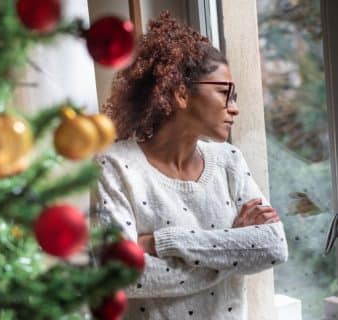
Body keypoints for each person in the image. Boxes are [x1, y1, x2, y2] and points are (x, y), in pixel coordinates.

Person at [89, 11, 288, 320]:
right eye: (225, 93)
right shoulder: (115, 166)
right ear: (181, 93)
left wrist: (162, 242)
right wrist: (232, 246)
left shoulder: (229, 161)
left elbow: (274, 247)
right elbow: (119, 275)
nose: (234, 108)